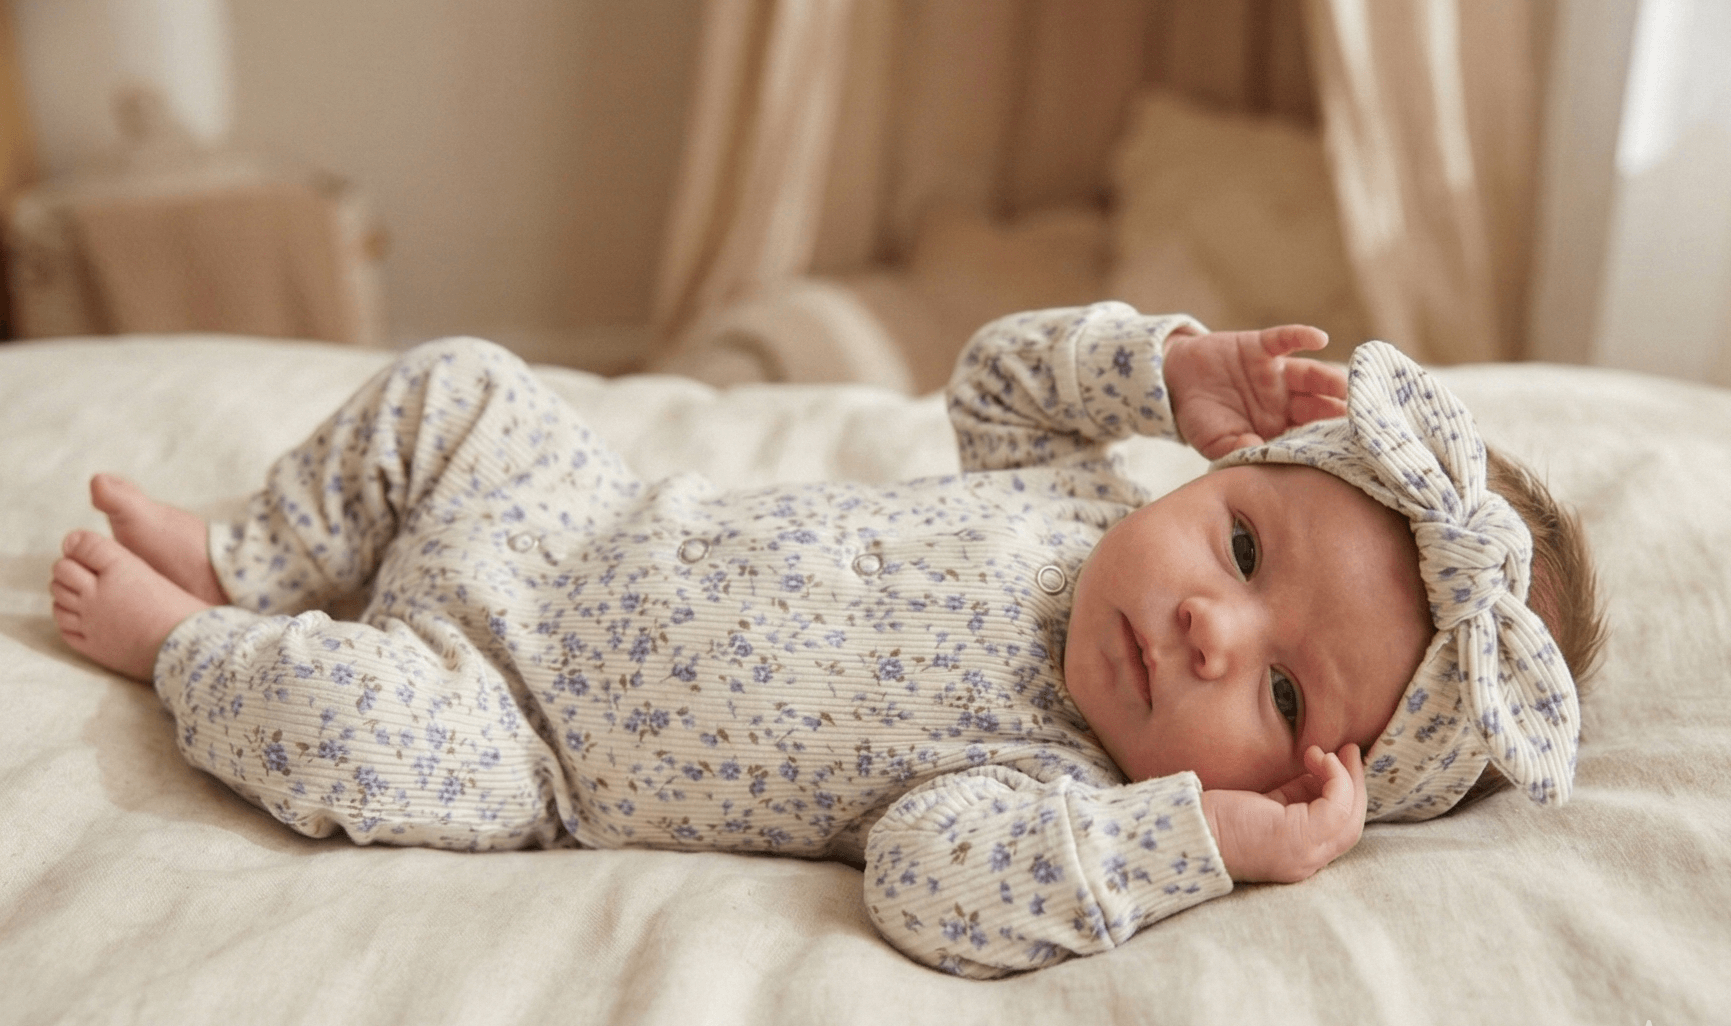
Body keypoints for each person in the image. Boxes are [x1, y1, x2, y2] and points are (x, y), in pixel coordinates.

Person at [49, 303, 1602, 978]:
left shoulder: (1049, 789)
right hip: (579, 514)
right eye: (1244, 541)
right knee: (460, 377)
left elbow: (928, 893)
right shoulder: (1083, 495)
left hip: (523, 729)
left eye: (1276, 686)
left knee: (348, 735)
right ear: (1216, 473)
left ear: (1304, 776)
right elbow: (993, 381)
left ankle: (182, 640)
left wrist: (1200, 842)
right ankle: (259, 548)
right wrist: (1156, 369)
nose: (1209, 621)